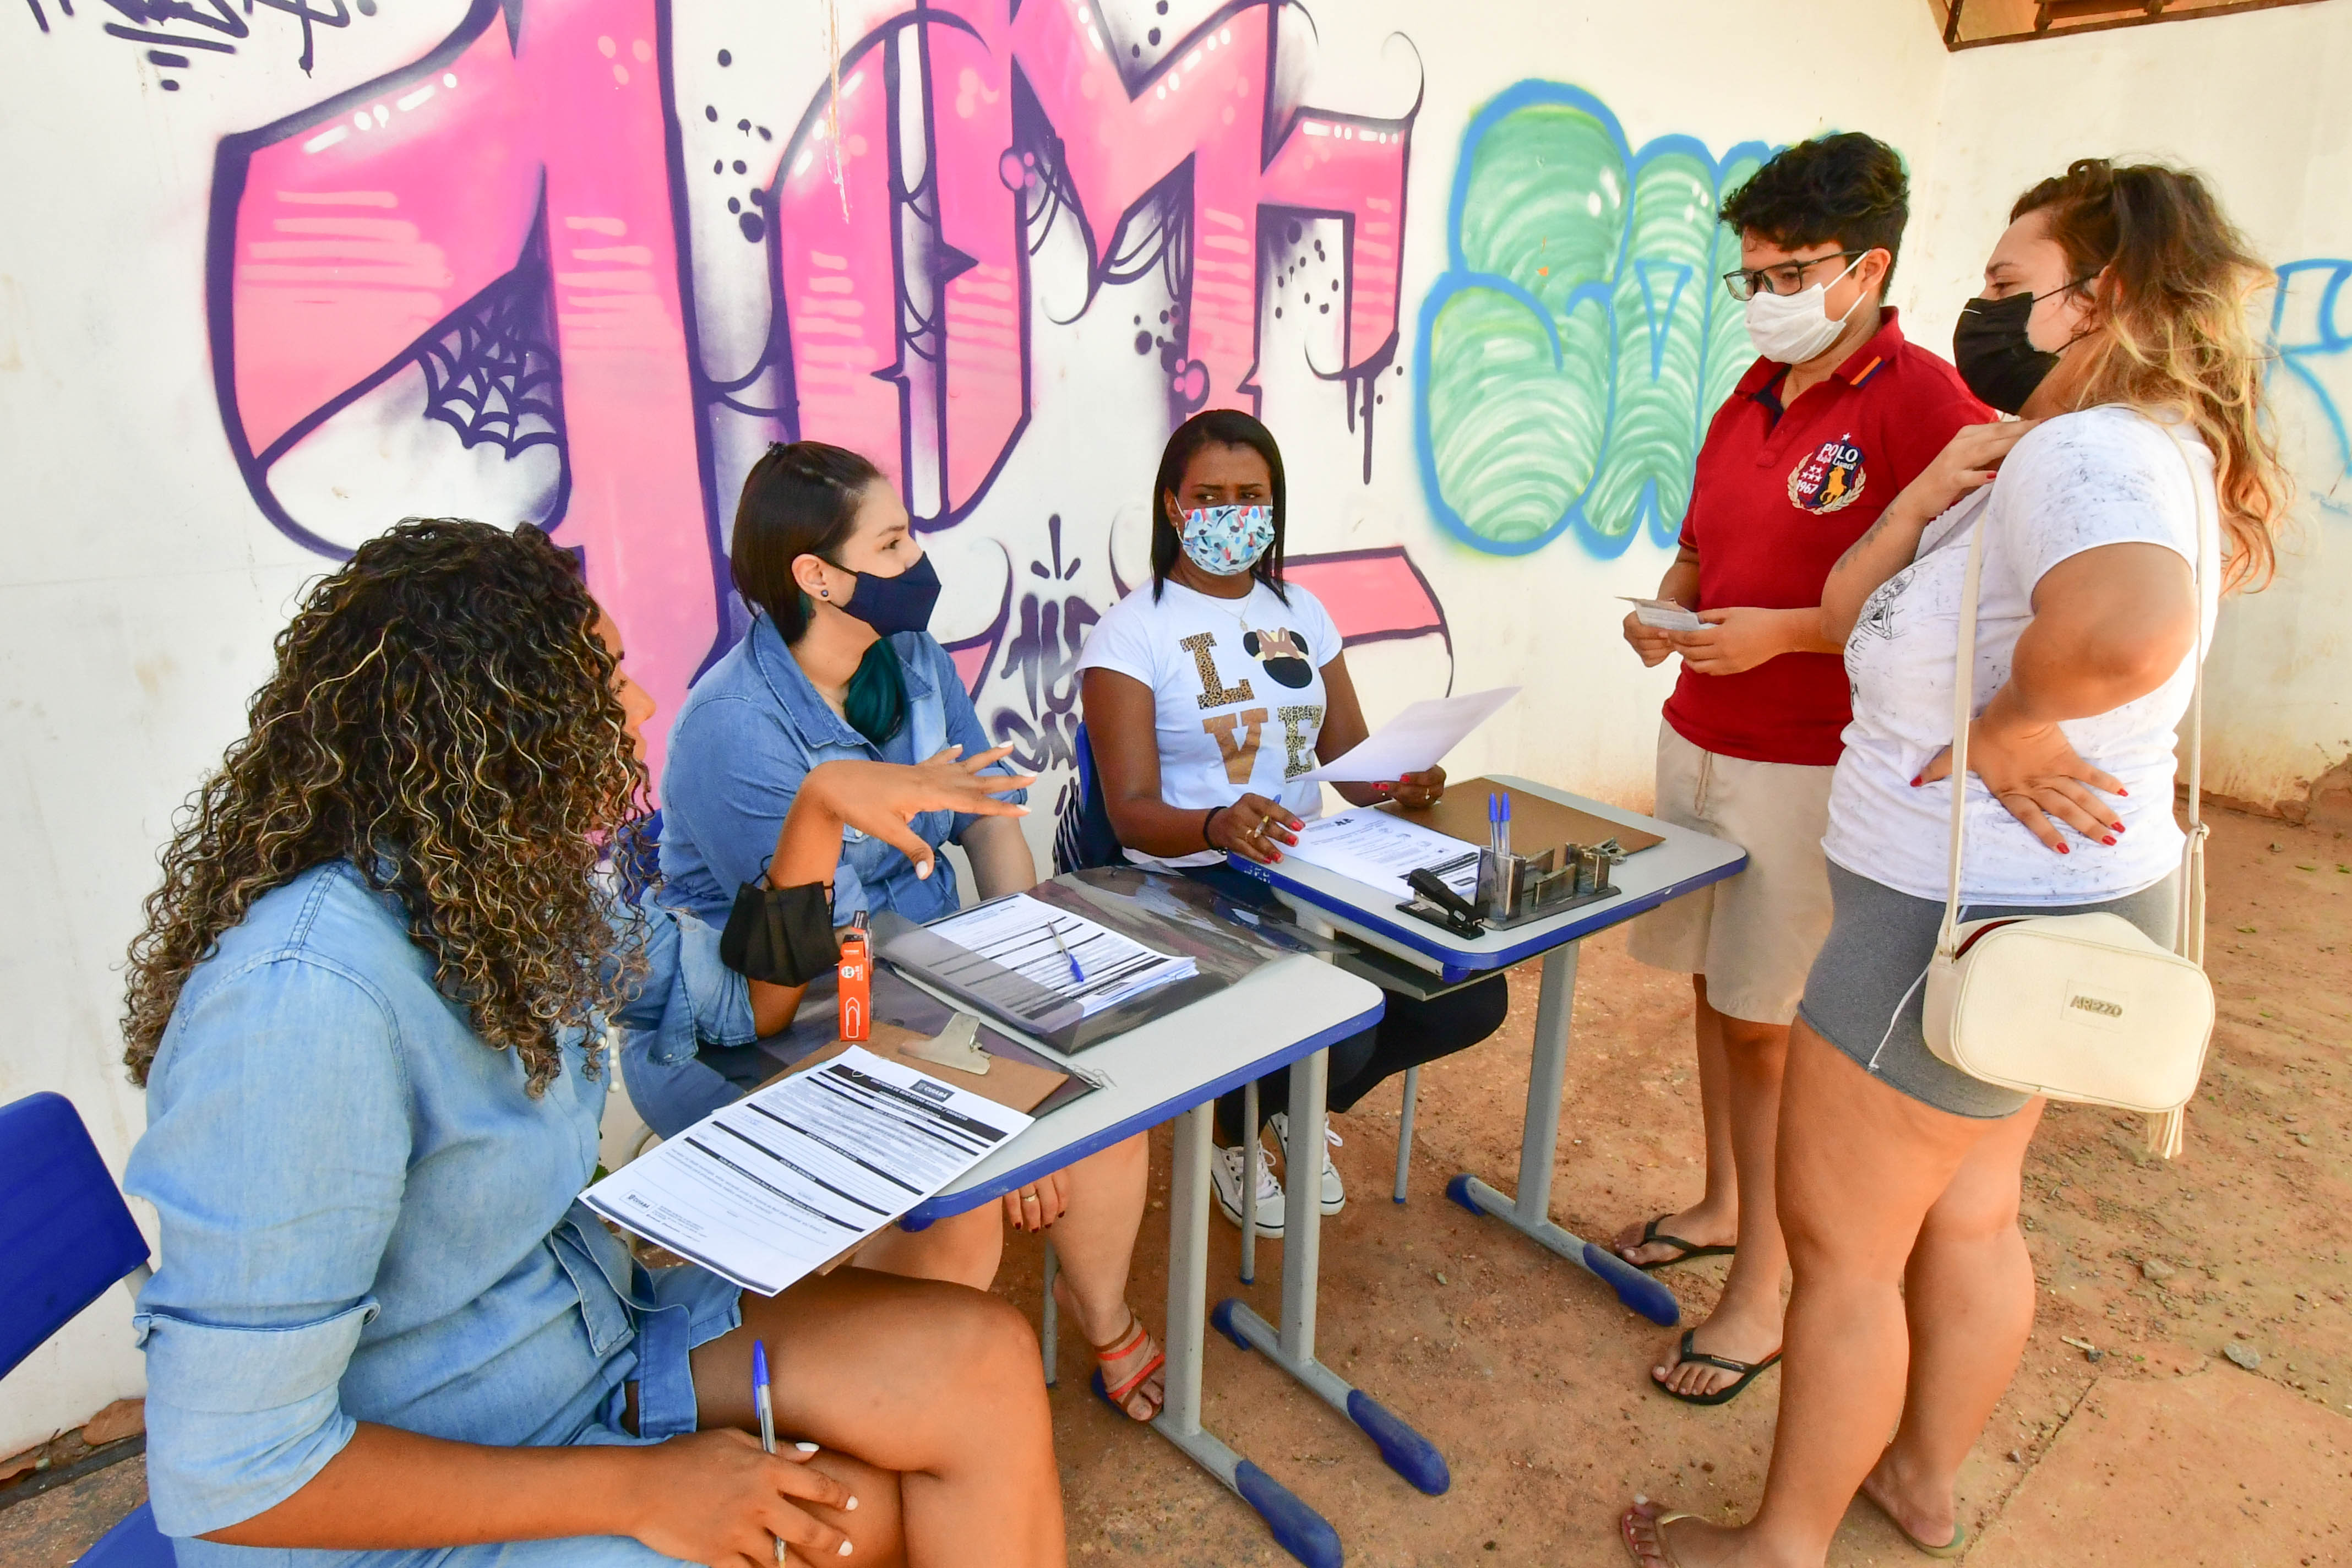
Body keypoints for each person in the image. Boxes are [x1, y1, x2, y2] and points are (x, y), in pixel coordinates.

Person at [120, 519, 1066, 1568]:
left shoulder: (504, 891)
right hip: (418, 1497)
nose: (641, 708)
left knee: (982, 1370)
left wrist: (818, 812)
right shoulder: (301, 1003)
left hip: (588, 1350)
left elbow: (742, 1007)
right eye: (607, 680)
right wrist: (643, 1489)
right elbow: (238, 1471)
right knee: (860, 1523)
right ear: (502, 721)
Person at [1623, 159, 2285, 1566]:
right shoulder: (2107, 441)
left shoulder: (2086, 453)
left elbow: (2128, 625)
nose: (1981, 309)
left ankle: (1780, 1541)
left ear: (2096, 299)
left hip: (1952, 910)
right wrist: (1925, 496)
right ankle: (1919, 1479)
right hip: (2040, 898)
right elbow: (1862, 597)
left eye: (2005, 284)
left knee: (1846, 1252)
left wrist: (2015, 720)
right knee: (1974, 1215)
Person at [628, 442, 1162, 1421]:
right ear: (817, 577)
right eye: (892, 543)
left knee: (1102, 1120)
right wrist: (1001, 1093)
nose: (918, 559)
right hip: (762, 1025)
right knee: (960, 1217)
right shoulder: (732, 728)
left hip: (926, 986)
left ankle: (1104, 1316)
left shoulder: (911, 659)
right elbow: (823, 964)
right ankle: (889, 1410)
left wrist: (1026, 983)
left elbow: (987, 820)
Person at [1613, 132, 1989, 1406]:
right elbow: (1699, 548)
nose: (1766, 297)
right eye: (1753, 274)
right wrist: (1668, 608)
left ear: (1867, 267)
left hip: (1809, 765)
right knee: (1718, 990)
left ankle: (1763, 1290)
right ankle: (1725, 1199)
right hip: (1701, 735)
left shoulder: (1928, 406)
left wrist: (1783, 636)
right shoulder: (1751, 392)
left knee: (1773, 1030)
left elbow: (1945, 609)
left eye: (1790, 273)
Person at [1077, 409, 1509, 1233]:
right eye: (1210, 496)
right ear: (1172, 505)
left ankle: (1286, 1105)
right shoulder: (1132, 634)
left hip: (1314, 870)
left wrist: (1403, 781)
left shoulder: (1300, 610)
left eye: (1251, 496)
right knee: (1340, 1031)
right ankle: (1233, 1131)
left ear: (1274, 505)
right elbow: (1131, 815)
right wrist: (1215, 824)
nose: (1231, 514)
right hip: (1195, 883)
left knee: (1465, 1001)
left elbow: (1350, 764)